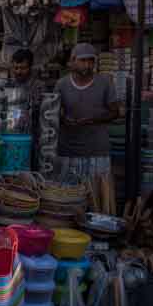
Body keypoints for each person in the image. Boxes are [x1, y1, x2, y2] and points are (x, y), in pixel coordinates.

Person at [55, 43, 120, 202]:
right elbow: (54, 111)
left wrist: (92, 119)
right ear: (72, 61)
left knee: (96, 199)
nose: (87, 65)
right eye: (83, 60)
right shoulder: (62, 84)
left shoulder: (105, 82)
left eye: (91, 61)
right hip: (68, 150)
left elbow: (115, 112)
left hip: (97, 151)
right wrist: (64, 118)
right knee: (67, 197)